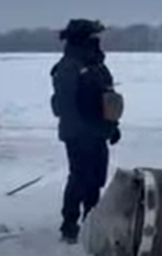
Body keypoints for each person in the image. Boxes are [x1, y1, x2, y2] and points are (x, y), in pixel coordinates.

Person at [50, 19, 121, 243]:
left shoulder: (96, 65)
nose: (98, 42)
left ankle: (92, 221)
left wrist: (112, 126)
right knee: (80, 178)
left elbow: (107, 99)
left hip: (98, 132)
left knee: (96, 179)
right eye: (94, 37)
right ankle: (69, 226)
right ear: (83, 39)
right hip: (79, 133)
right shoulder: (68, 67)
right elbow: (64, 105)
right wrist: (84, 129)